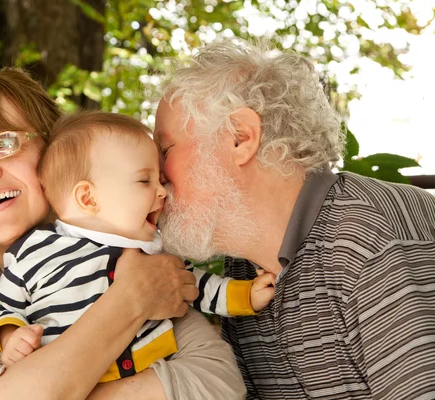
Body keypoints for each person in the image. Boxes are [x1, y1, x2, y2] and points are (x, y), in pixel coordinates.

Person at [0, 67, 247, 400]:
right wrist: (132, 298)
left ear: (52, 151)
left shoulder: (129, 247)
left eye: (3, 143)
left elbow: (219, 381)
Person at [154, 40, 435, 400]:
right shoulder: (242, 268)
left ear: (241, 137)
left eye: (164, 150)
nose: (155, 176)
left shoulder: (366, 238)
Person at [0, 111, 276, 381]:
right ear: (88, 199)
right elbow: (8, 304)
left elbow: (195, 285)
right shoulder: (35, 251)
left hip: (148, 373)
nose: (163, 190)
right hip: (71, 379)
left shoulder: (150, 252)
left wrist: (245, 295)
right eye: (144, 180)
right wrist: (11, 335)